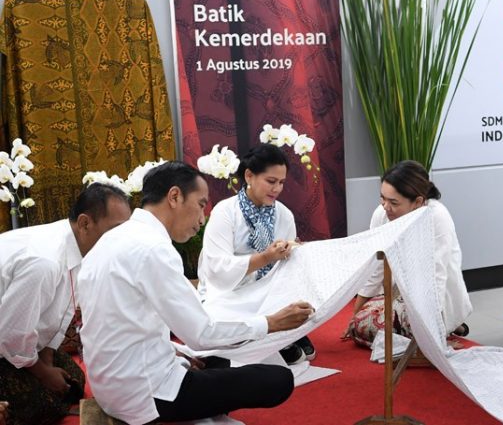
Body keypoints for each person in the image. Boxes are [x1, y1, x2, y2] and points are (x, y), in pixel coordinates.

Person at [77, 161, 314, 425]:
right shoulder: (154, 248)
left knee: (215, 357)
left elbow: (120, 322)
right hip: (144, 394)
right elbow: (202, 333)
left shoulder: (109, 241)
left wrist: (171, 350)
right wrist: (271, 323)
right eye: (201, 204)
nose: (202, 219)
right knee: (278, 380)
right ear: (175, 196)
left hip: (108, 385)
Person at [0, 183, 132, 425]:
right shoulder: (44, 261)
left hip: (15, 340)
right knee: (44, 404)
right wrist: (42, 373)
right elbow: (10, 334)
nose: (123, 240)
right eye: (116, 231)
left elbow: (61, 312)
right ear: (84, 223)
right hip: (6, 342)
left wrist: (47, 359)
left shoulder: (80, 246)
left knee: (73, 381)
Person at [198, 144, 315, 364]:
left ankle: (280, 336)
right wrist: (266, 257)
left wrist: (294, 253)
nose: (277, 189)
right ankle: (281, 339)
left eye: (281, 183)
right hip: (227, 293)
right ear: (249, 176)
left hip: (268, 290)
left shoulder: (284, 215)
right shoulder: (224, 212)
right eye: (271, 181)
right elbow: (216, 268)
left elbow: (287, 270)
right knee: (214, 322)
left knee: (303, 303)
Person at [342, 160, 473, 347]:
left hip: (435, 297)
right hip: (400, 294)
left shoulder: (437, 217)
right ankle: (447, 328)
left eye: (393, 202)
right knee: (360, 325)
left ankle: (448, 324)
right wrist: (354, 316)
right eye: (382, 198)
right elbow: (375, 270)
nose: (385, 206)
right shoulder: (382, 214)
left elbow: (437, 279)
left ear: (418, 202)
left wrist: (435, 337)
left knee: (373, 328)